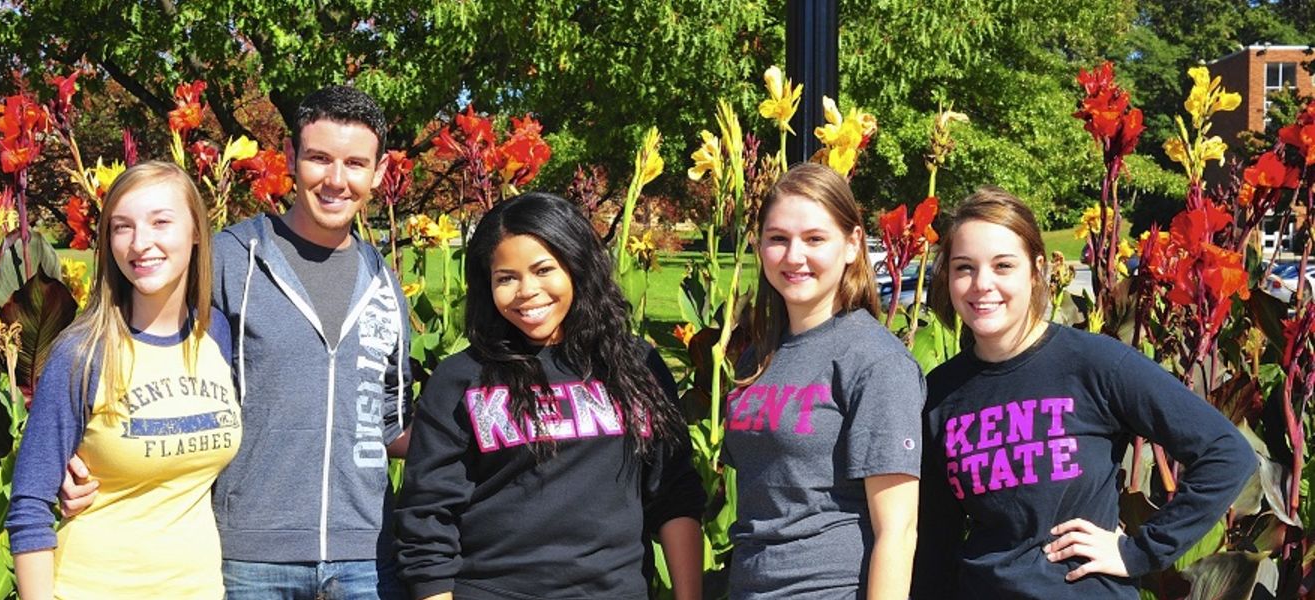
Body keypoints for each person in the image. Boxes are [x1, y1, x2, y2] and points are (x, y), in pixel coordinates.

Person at [58, 85, 412, 599]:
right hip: (249, 557)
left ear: (377, 174)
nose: (336, 180)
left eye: (356, 163)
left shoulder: (384, 283)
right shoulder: (227, 260)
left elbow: (389, 423)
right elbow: (138, 352)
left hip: (366, 559)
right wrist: (79, 459)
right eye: (318, 158)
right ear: (291, 158)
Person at [912, 187, 1257, 599]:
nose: (982, 284)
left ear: (1036, 270)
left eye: (1003, 265)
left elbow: (1226, 454)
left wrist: (1140, 551)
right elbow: (935, 538)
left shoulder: (1094, 363)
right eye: (964, 268)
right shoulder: (940, 394)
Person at [394, 192, 705, 600]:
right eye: (506, 278)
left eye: (543, 270)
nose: (527, 291)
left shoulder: (636, 366)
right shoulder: (462, 379)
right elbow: (427, 517)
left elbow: (673, 491)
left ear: (576, 265)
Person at [6, 161, 240, 599]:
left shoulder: (217, 335)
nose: (140, 243)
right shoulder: (83, 353)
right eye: (122, 227)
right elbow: (29, 506)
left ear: (195, 232)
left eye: (160, 222)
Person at [723, 163, 924, 599]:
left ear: (852, 245)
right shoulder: (759, 356)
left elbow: (898, 529)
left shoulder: (875, 361)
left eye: (815, 239)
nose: (794, 256)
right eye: (779, 239)